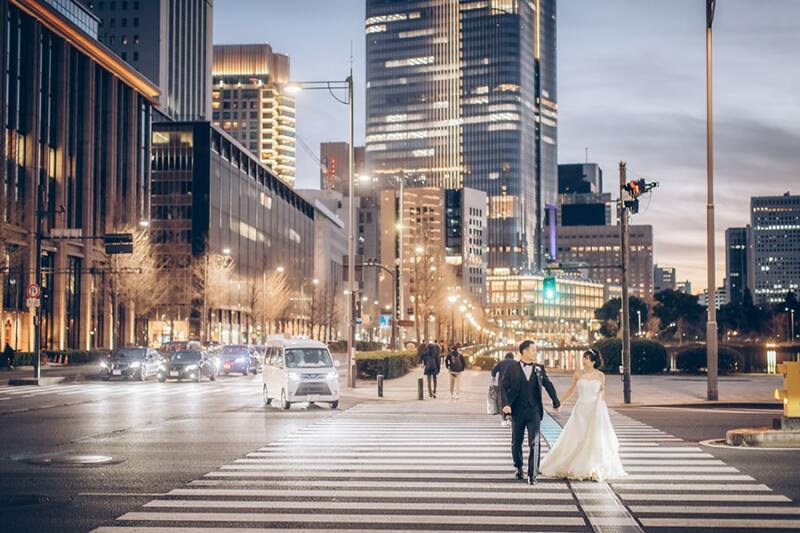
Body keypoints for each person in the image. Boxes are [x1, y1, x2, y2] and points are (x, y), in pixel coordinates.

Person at [539, 349, 627, 482]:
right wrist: (559, 402)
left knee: (595, 438)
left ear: (593, 361)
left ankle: (593, 467)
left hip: (595, 409)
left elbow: (602, 390)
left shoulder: (600, 375)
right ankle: (573, 464)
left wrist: (600, 399)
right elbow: (571, 390)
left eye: (586, 358)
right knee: (578, 436)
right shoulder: (578, 374)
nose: (583, 361)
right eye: (583, 358)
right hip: (581, 410)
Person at [501, 340, 560, 485]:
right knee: (516, 442)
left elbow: (548, 384)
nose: (535, 352)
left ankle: (532, 474)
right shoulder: (511, 369)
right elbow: (502, 388)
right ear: (525, 351)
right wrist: (506, 405)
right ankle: (519, 467)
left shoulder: (539, 369)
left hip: (534, 411)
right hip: (517, 411)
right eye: (533, 350)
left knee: (535, 442)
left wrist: (555, 400)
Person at [491, 352, 516, 426]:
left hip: (502, 384)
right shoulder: (515, 363)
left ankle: (504, 418)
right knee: (511, 400)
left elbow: (493, 371)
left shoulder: (501, 363)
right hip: (513, 385)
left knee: (503, 401)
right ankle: (510, 417)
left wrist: (493, 376)